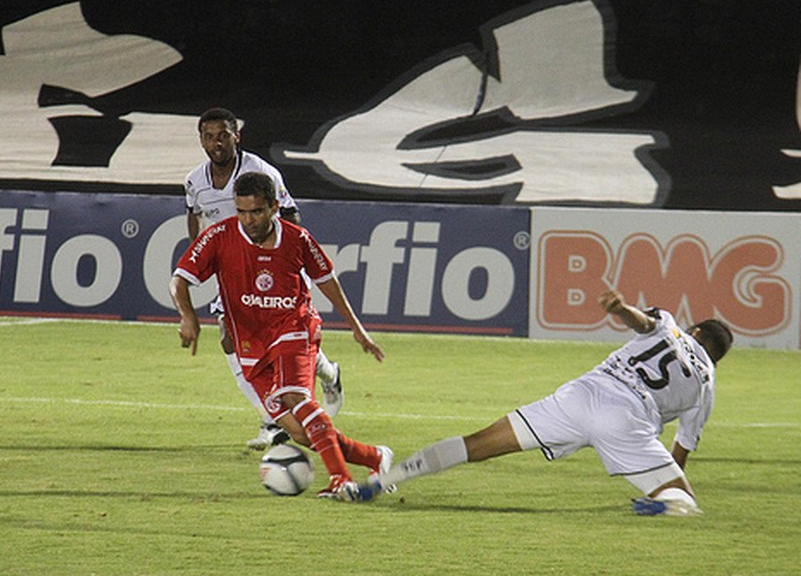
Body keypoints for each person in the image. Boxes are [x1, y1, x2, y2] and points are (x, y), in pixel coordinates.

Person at [359, 289, 734, 516]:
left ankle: (386, 479)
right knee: (683, 499)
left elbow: (641, 323)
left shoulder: (670, 326)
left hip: (583, 394)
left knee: (478, 444)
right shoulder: (706, 385)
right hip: (629, 420)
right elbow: (683, 446)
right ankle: (669, 504)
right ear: (715, 356)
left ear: (694, 331)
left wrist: (619, 309)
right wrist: (664, 479)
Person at [171, 171, 390, 500]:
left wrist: (356, 328)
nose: (248, 220)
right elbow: (180, 279)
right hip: (251, 347)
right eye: (241, 211)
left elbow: (328, 280)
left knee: (295, 398)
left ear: (274, 207)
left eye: (256, 211)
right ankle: (375, 457)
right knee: (301, 434)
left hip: (295, 328)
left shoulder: (297, 239)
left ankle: (341, 479)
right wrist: (187, 315)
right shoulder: (219, 237)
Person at [184, 107, 343, 450]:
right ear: (201, 140)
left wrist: (284, 260)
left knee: (280, 342)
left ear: (236, 136)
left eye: (223, 135)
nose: (216, 143)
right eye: (209, 136)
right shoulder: (195, 181)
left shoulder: (260, 172)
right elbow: (194, 216)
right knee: (231, 340)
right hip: (233, 272)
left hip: (274, 269)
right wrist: (202, 255)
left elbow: (291, 214)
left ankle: (326, 373)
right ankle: (271, 419)